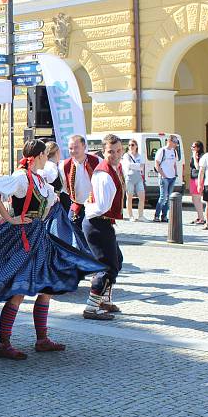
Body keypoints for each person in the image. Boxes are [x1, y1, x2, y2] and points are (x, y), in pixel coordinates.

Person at [0, 139, 104, 359]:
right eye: (44, 155)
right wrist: (10, 219)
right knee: (18, 292)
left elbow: (51, 204)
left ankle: (41, 339)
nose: (47, 158)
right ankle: (4, 344)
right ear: (37, 157)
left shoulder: (40, 180)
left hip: (39, 237)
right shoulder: (22, 177)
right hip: (22, 238)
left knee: (46, 290)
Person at [83, 134, 126, 321]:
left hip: (103, 221)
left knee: (117, 260)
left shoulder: (115, 168)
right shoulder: (103, 173)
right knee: (107, 267)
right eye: (111, 152)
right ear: (104, 151)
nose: (115, 155)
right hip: (97, 221)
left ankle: (104, 300)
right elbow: (101, 205)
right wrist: (89, 208)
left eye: (118, 151)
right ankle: (92, 307)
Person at [60, 134, 100, 234]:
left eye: (76, 147)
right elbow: (64, 187)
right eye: (70, 148)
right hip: (77, 206)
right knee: (72, 233)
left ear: (84, 147)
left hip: (94, 205)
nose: (73, 151)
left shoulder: (97, 161)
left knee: (93, 234)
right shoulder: (64, 165)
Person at [153, 135, 180, 223]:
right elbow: (156, 164)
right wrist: (163, 175)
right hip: (164, 177)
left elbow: (174, 163)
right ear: (169, 141)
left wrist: (175, 173)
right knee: (163, 197)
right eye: (175, 141)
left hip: (172, 177)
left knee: (169, 198)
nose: (176, 143)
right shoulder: (162, 151)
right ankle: (156, 215)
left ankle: (164, 216)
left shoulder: (174, 151)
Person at [121, 139, 146, 221]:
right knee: (129, 197)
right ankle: (131, 216)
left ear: (136, 146)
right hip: (129, 178)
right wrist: (137, 166)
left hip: (138, 178)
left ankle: (141, 215)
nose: (130, 146)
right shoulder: (126, 155)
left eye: (132, 145)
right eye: (129, 145)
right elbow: (127, 165)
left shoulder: (140, 156)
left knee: (142, 196)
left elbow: (142, 166)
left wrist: (134, 166)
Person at [188, 141, 206, 225]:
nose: (192, 148)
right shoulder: (195, 155)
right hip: (193, 177)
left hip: (198, 178)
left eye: (193, 147)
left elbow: (197, 167)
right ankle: (199, 216)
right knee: (194, 199)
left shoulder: (201, 156)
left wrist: (195, 157)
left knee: (197, 198)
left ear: (198, 148)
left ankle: (202, 218)